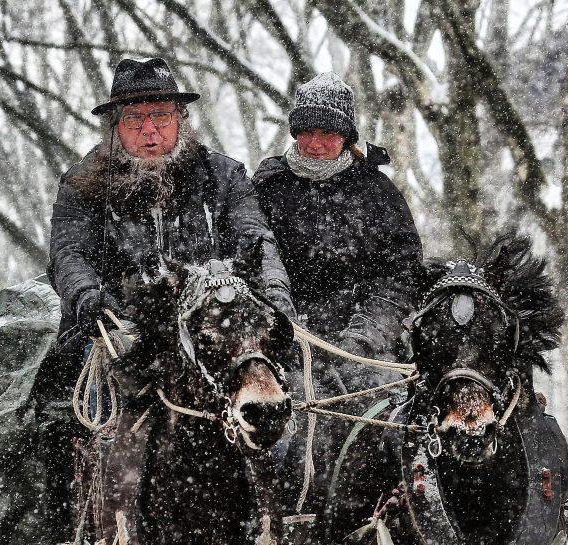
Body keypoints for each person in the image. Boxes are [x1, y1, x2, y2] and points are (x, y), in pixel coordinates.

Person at [48, 56, 295, 393]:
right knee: (79, 409)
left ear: (181, 120)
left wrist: (276, 301)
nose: (150, 131)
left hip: (213, 324)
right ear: (114, 127)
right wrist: (89, 298)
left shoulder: (223, 176)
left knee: (276, 409)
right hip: (117, 327)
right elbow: (69, 255)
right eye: (134, 119)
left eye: (161, 116)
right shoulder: (81, 184)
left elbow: (258, 242)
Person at [253, 72, 423, 398]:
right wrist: (281, 326)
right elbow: (252, 256)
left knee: (381, 426)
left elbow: (401, 276)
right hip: (282, 339)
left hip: (365, 346)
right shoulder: (267, 187)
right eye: (308, 132)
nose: (315, 144)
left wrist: (362, 339)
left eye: (327, 133)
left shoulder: (377, 192)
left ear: (345, 137)